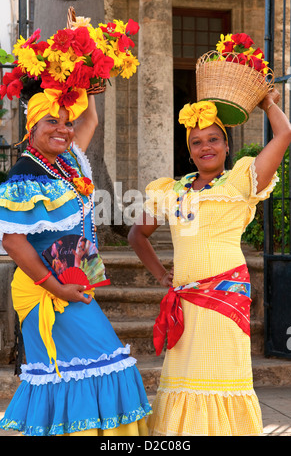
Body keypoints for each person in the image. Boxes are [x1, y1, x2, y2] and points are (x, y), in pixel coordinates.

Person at [128, 89, 291, 436]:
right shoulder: (169, 190)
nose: (206, 147)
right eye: (197, 142)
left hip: (225, 299)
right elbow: (136, 235)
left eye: (214, 139)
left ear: (227, 144)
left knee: (222, 376)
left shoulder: (241, 180)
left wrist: (266, 103)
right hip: (185, 302)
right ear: (189, 152)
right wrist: (160, 274)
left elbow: (284, 134)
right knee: (185, 377)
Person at [0, 86, 151, 436]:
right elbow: (12, 242)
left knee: (85, 369)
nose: (63, 130)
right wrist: (58, 288)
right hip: (46, 290)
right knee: (104, 363)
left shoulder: (66, 163)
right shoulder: (26, 174)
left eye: (66, 123)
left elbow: (91, 119)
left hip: (72, 284)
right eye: (51, 121)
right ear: (31, 127)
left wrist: (88, 79)